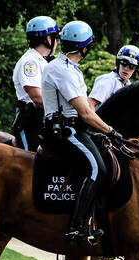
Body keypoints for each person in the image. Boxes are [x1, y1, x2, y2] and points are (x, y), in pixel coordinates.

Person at [42, 20, 116, 243]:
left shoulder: (70, 69)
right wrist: (111, 131)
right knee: (98, 169)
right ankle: (76, 227)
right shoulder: (62, 70)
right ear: (84, 48)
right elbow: (85, 112)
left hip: (73, 127)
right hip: (64, 131)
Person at [12, 16, 59, 151]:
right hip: (31, 123)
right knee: (32, 165)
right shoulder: (30, 62)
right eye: (56, 38)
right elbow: (37, 98)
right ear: (49, 39)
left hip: (45, 120)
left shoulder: (43, 61)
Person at [88, 45, 139, 111]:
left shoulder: (129, 85)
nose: (126, 68)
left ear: (135, 70)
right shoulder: (107, 81)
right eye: (124, 63)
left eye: (132, 66)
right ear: (118, 63)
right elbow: (90, 104)